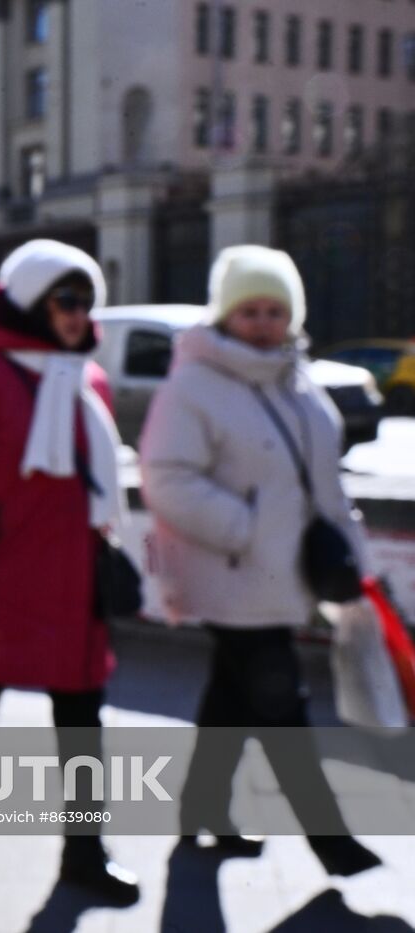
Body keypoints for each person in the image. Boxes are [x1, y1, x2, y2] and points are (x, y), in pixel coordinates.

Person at [139, 244, 381, 876]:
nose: (264, 322)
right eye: (249, 310)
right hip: (232, 571)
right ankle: (330, 841)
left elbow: (322, 482)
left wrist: (350, 553)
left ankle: (201, 813)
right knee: (282, 699)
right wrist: (243, 527)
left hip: (285, 573)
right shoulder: (196, 383)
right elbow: (165, 475)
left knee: (232, 695)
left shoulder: (296, 379)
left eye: (276, 310)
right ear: (224, 314)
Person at [0, 239, 138, 904]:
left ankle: (85, 854)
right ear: (27, 300)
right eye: (63, 300)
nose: (76, 315)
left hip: (75, 585)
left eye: (84, 301)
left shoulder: (86, 377)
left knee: (82, 724)